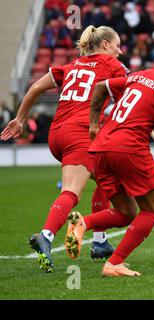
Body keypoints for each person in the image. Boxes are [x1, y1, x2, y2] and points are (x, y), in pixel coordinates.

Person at [0, 25, 131, 272]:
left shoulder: (71, 67)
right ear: (105, 46)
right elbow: (134, 87)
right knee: (73, 191)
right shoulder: (109, 63)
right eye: (117, 45)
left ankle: (100, 242)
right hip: (80, 134)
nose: (120, 51)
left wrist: (19, 119)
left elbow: (36, 87)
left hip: (58, 133)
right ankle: (46, 236)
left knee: (108, 179)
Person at [64, 40, 154, 277]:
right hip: (129, 148)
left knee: (125, 212)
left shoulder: (139, 76)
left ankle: (83, 222)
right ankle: (114, 263)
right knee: (152, 210)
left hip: (103, 146)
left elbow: (101, 87)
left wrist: (94, 124)